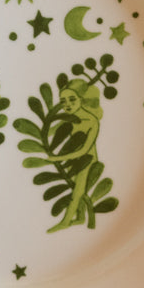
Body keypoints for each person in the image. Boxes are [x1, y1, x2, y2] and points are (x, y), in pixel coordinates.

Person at [46, 78, 103, 231]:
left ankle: (65, 222)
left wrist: (58, 158)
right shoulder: (70, 119)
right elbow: (59, 133)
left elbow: (84, 150)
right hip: (73, 159)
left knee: (77, 193)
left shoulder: (92, 121)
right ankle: (80, 218)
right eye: (63, 101)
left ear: (81, 99)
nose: (68, 104)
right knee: (78, 191)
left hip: (87, 161)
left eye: (72, 99)